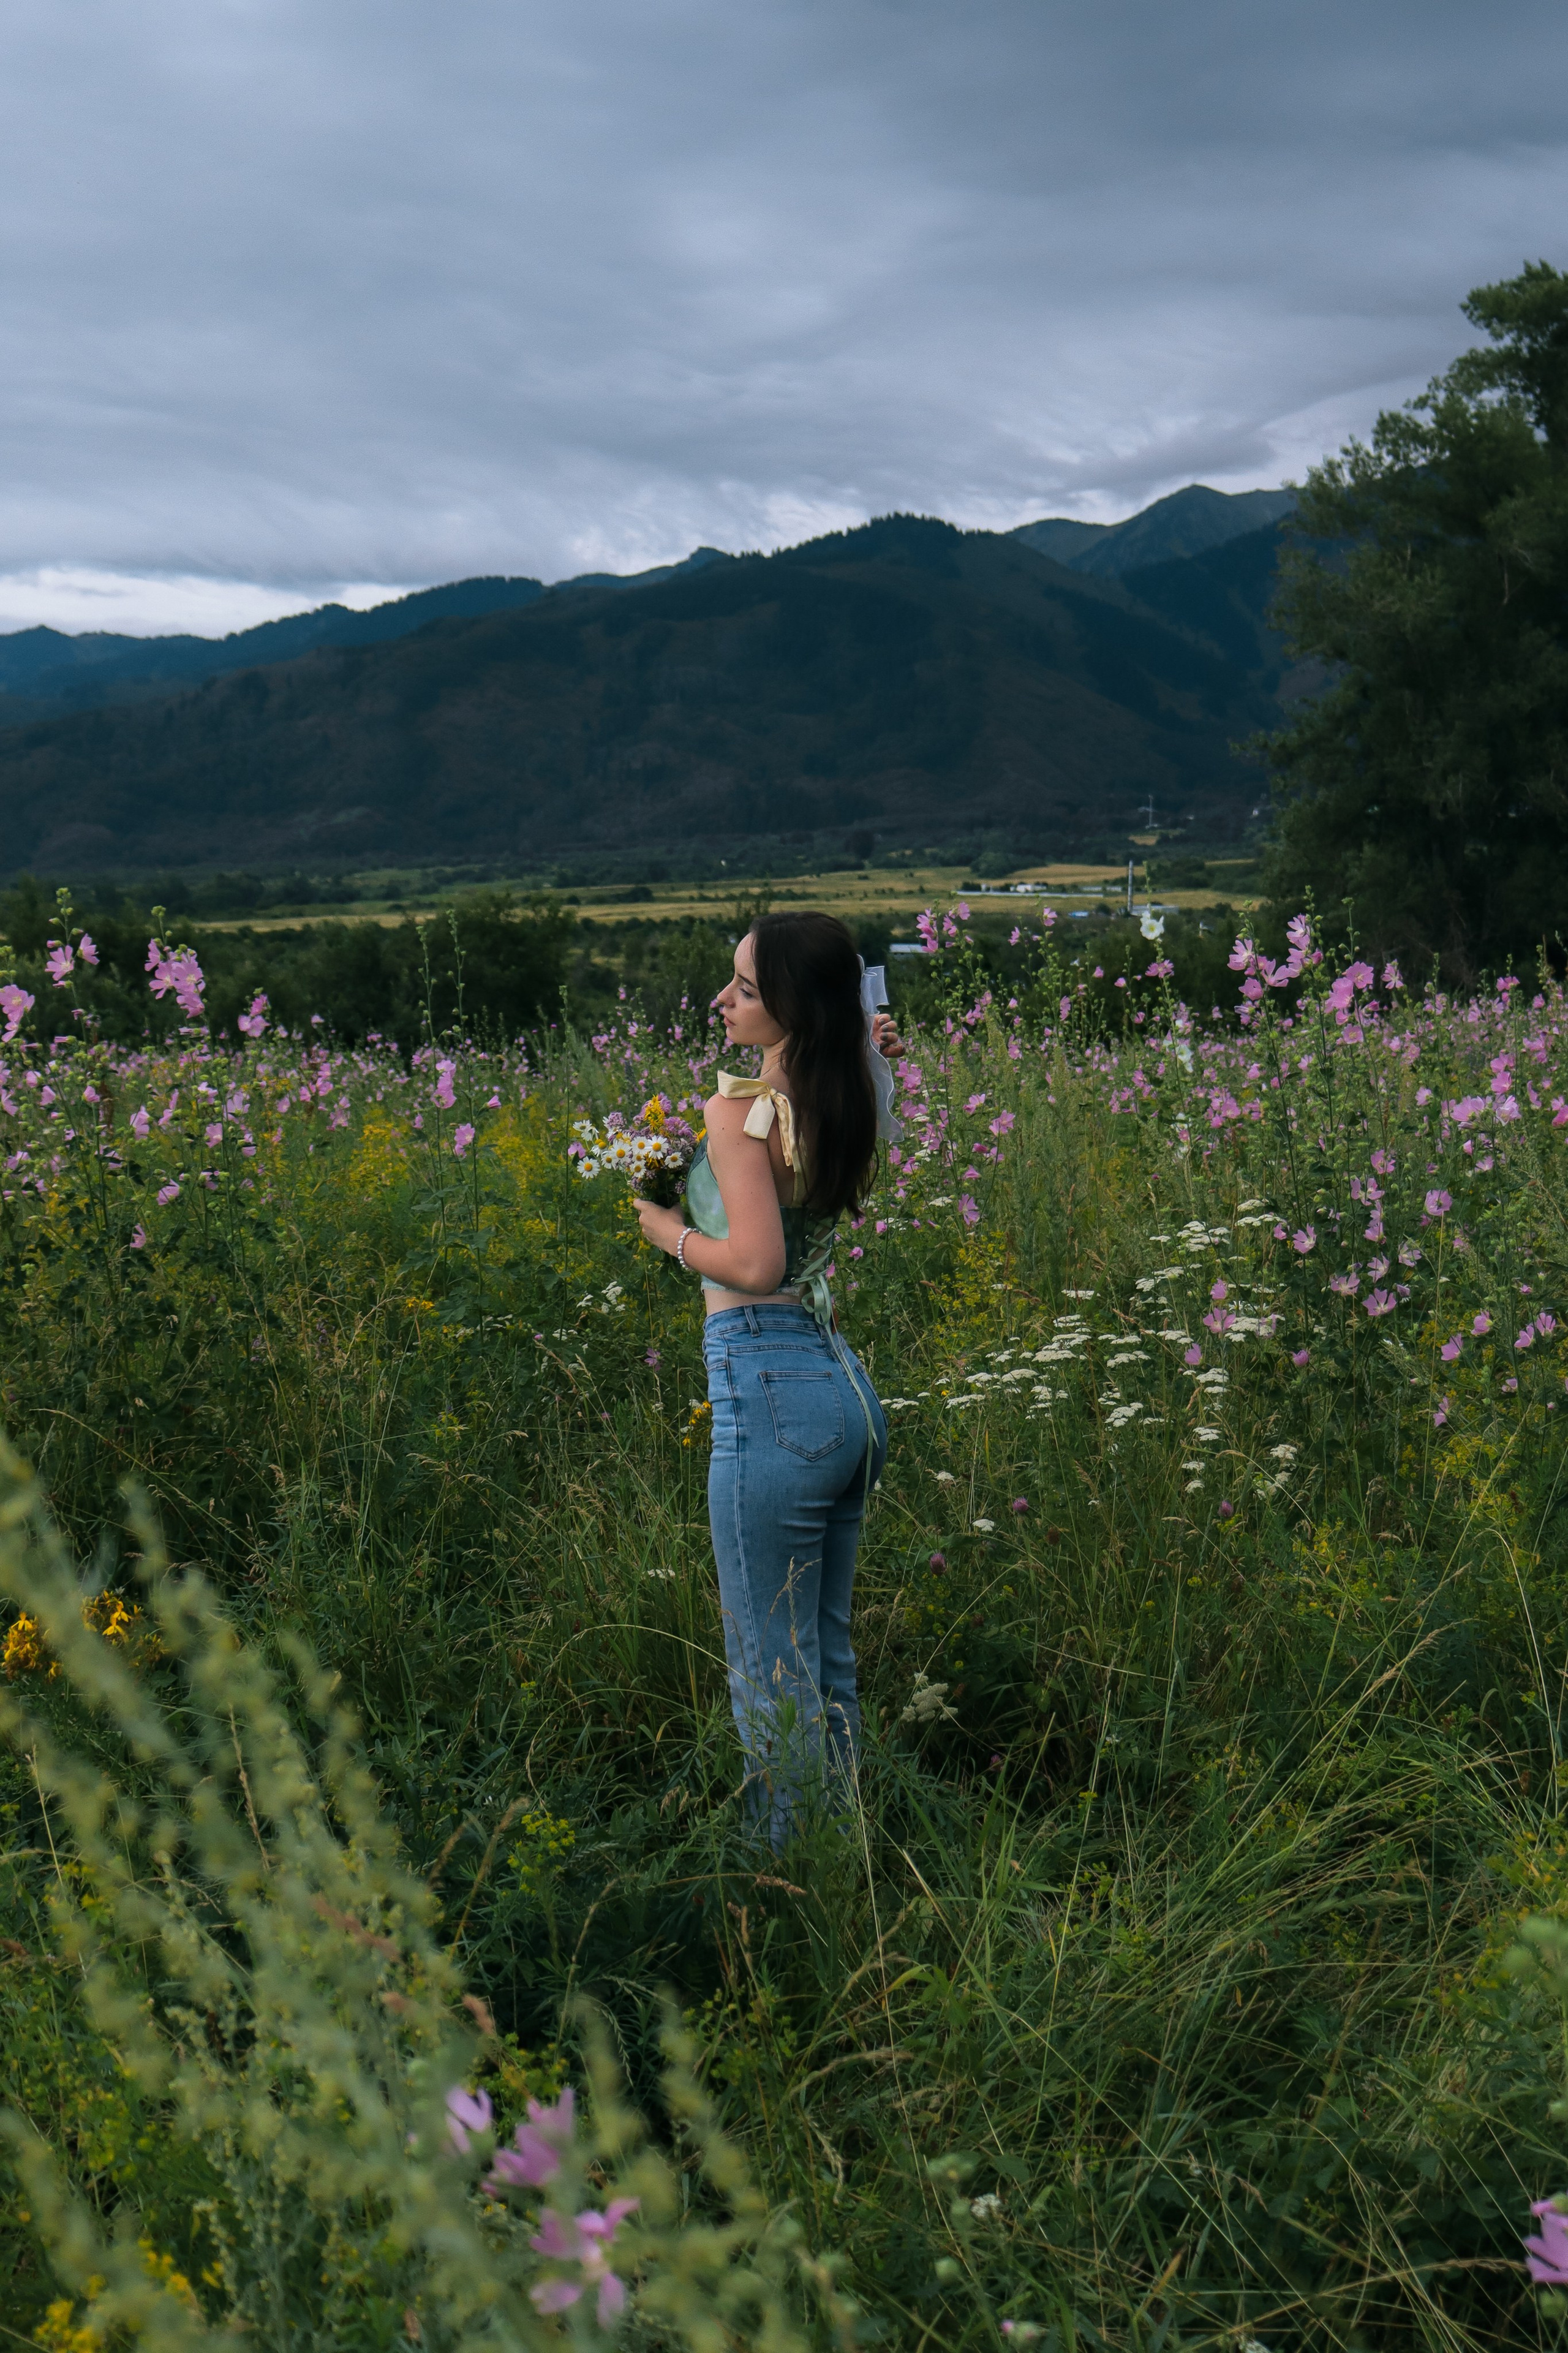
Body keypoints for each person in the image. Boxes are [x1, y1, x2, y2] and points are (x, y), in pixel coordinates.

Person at [635, 911, 899, 1848]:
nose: (723, 1000)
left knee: (766, 1669)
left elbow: (751, 1262)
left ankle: (789, 1883)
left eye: (745, 988)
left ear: (791, 1007)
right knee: (824, 1659)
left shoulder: (738, 1111)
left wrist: (664, 1228)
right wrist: (874, 1031)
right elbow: (866, 1036)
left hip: (770, 1382)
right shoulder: (855, 1089)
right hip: (843, 1388)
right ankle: (848, 1851)